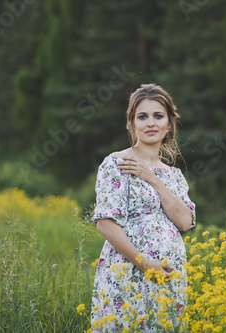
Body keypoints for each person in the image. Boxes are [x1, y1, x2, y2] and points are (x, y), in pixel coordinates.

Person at [90, 83, 196, 332]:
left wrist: (153, 179)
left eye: (158, 116)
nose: (151, 123)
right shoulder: (116, 164)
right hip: (128, 273)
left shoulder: (174, 176)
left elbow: (184, 222)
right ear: (132, 124)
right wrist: (144, 263)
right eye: (142, 116)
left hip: (168, 277)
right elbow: (105, 223)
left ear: (169, 125)